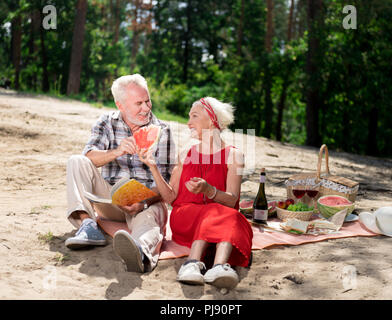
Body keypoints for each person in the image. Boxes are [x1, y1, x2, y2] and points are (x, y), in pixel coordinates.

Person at [137, 97, 253, 289]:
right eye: (189, 116)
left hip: (220, 218)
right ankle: (197, 264)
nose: (188, 122)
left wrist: (210, 191)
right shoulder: (185, 154)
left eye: (195, 116)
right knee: (218, 212)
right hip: (185, 218)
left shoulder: (234, 156)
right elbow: (171, 197)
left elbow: (232, 202)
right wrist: (153, 168)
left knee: (230, 214)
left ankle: (215, 267)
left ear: (212, 120)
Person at [65, 74, 176, 273]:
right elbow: (90, 156)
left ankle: (140, 251)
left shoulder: (163, 130)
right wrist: (117, 151)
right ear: (121, 105)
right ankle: (88, 225)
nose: (146, 108)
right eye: (139, 103)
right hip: (110, 200)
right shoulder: (107, 122)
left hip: (145, 202)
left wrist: (143, 202)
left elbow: (168, 185)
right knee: (77, 160)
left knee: (152, 216)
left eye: (148, 100)